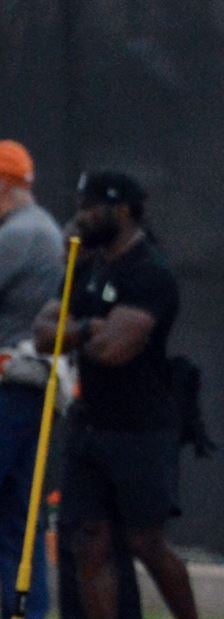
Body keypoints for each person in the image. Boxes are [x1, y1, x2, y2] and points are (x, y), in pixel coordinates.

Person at [33, 171, 196, 619]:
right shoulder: (86, 265)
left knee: (145, 542)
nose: (81, 217)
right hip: (91, 427)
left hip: (141, 428)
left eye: (91, 207)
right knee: (90, 541)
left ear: (122, 210)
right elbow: (43, 332)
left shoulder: (149, 271)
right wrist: (86, 328)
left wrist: (81, 335)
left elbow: (116, 350)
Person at [0, 139, 61, 619]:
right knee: (20, 525)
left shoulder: (19, 234)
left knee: (17, 522)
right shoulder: (42, 229)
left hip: (11, 387)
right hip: (31, 387)